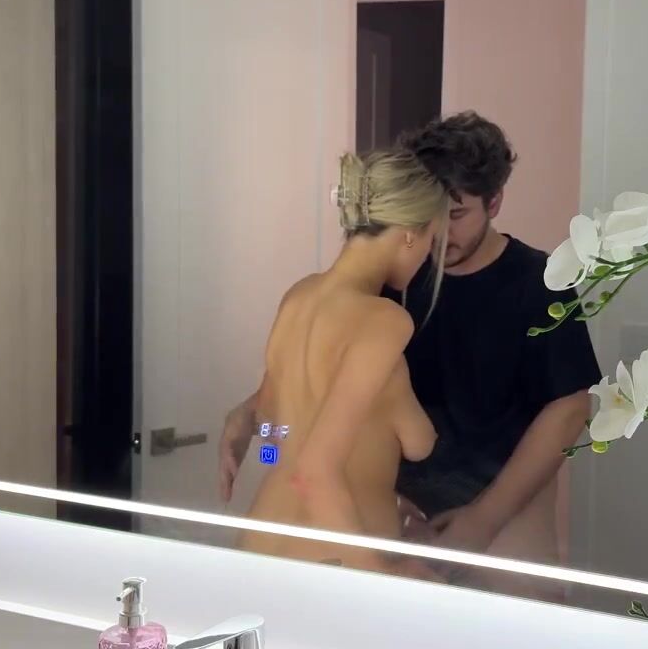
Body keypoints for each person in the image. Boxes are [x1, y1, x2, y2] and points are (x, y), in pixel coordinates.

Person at [222, 113, 601, 597]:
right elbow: (315, 387)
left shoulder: (539, 281)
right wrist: (253, 412)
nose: (436, 233)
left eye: (455, 215)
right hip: (388, 510)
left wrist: (484, 519)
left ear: (494, 202)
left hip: (501, 505)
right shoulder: (394, 276)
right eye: (427, 217)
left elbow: (570, 408)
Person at [235, 150, 449, 581]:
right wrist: (382, 574)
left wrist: (373, 485)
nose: (429, 254)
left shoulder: (299, 297)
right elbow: (314, 471)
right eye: (433, 239)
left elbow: (271, 431)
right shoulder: (384, 320)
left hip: (259, 542)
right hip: (328, 565)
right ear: (411, 234)